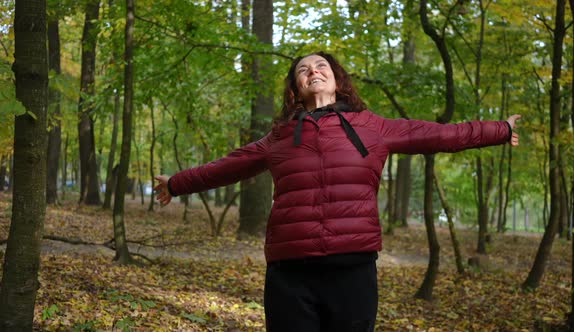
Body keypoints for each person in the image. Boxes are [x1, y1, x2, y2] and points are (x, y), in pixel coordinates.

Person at [155, 51, 521, 332]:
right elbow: (226, 167)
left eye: (321, 67)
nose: (313, 71)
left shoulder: (373, 127)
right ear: (296, 88)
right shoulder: (279, 139)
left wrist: (499, 130)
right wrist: (175, 183)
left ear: (336, 81)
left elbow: (442, 135)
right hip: (289, 273)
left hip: (353, 268)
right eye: (303, 69)